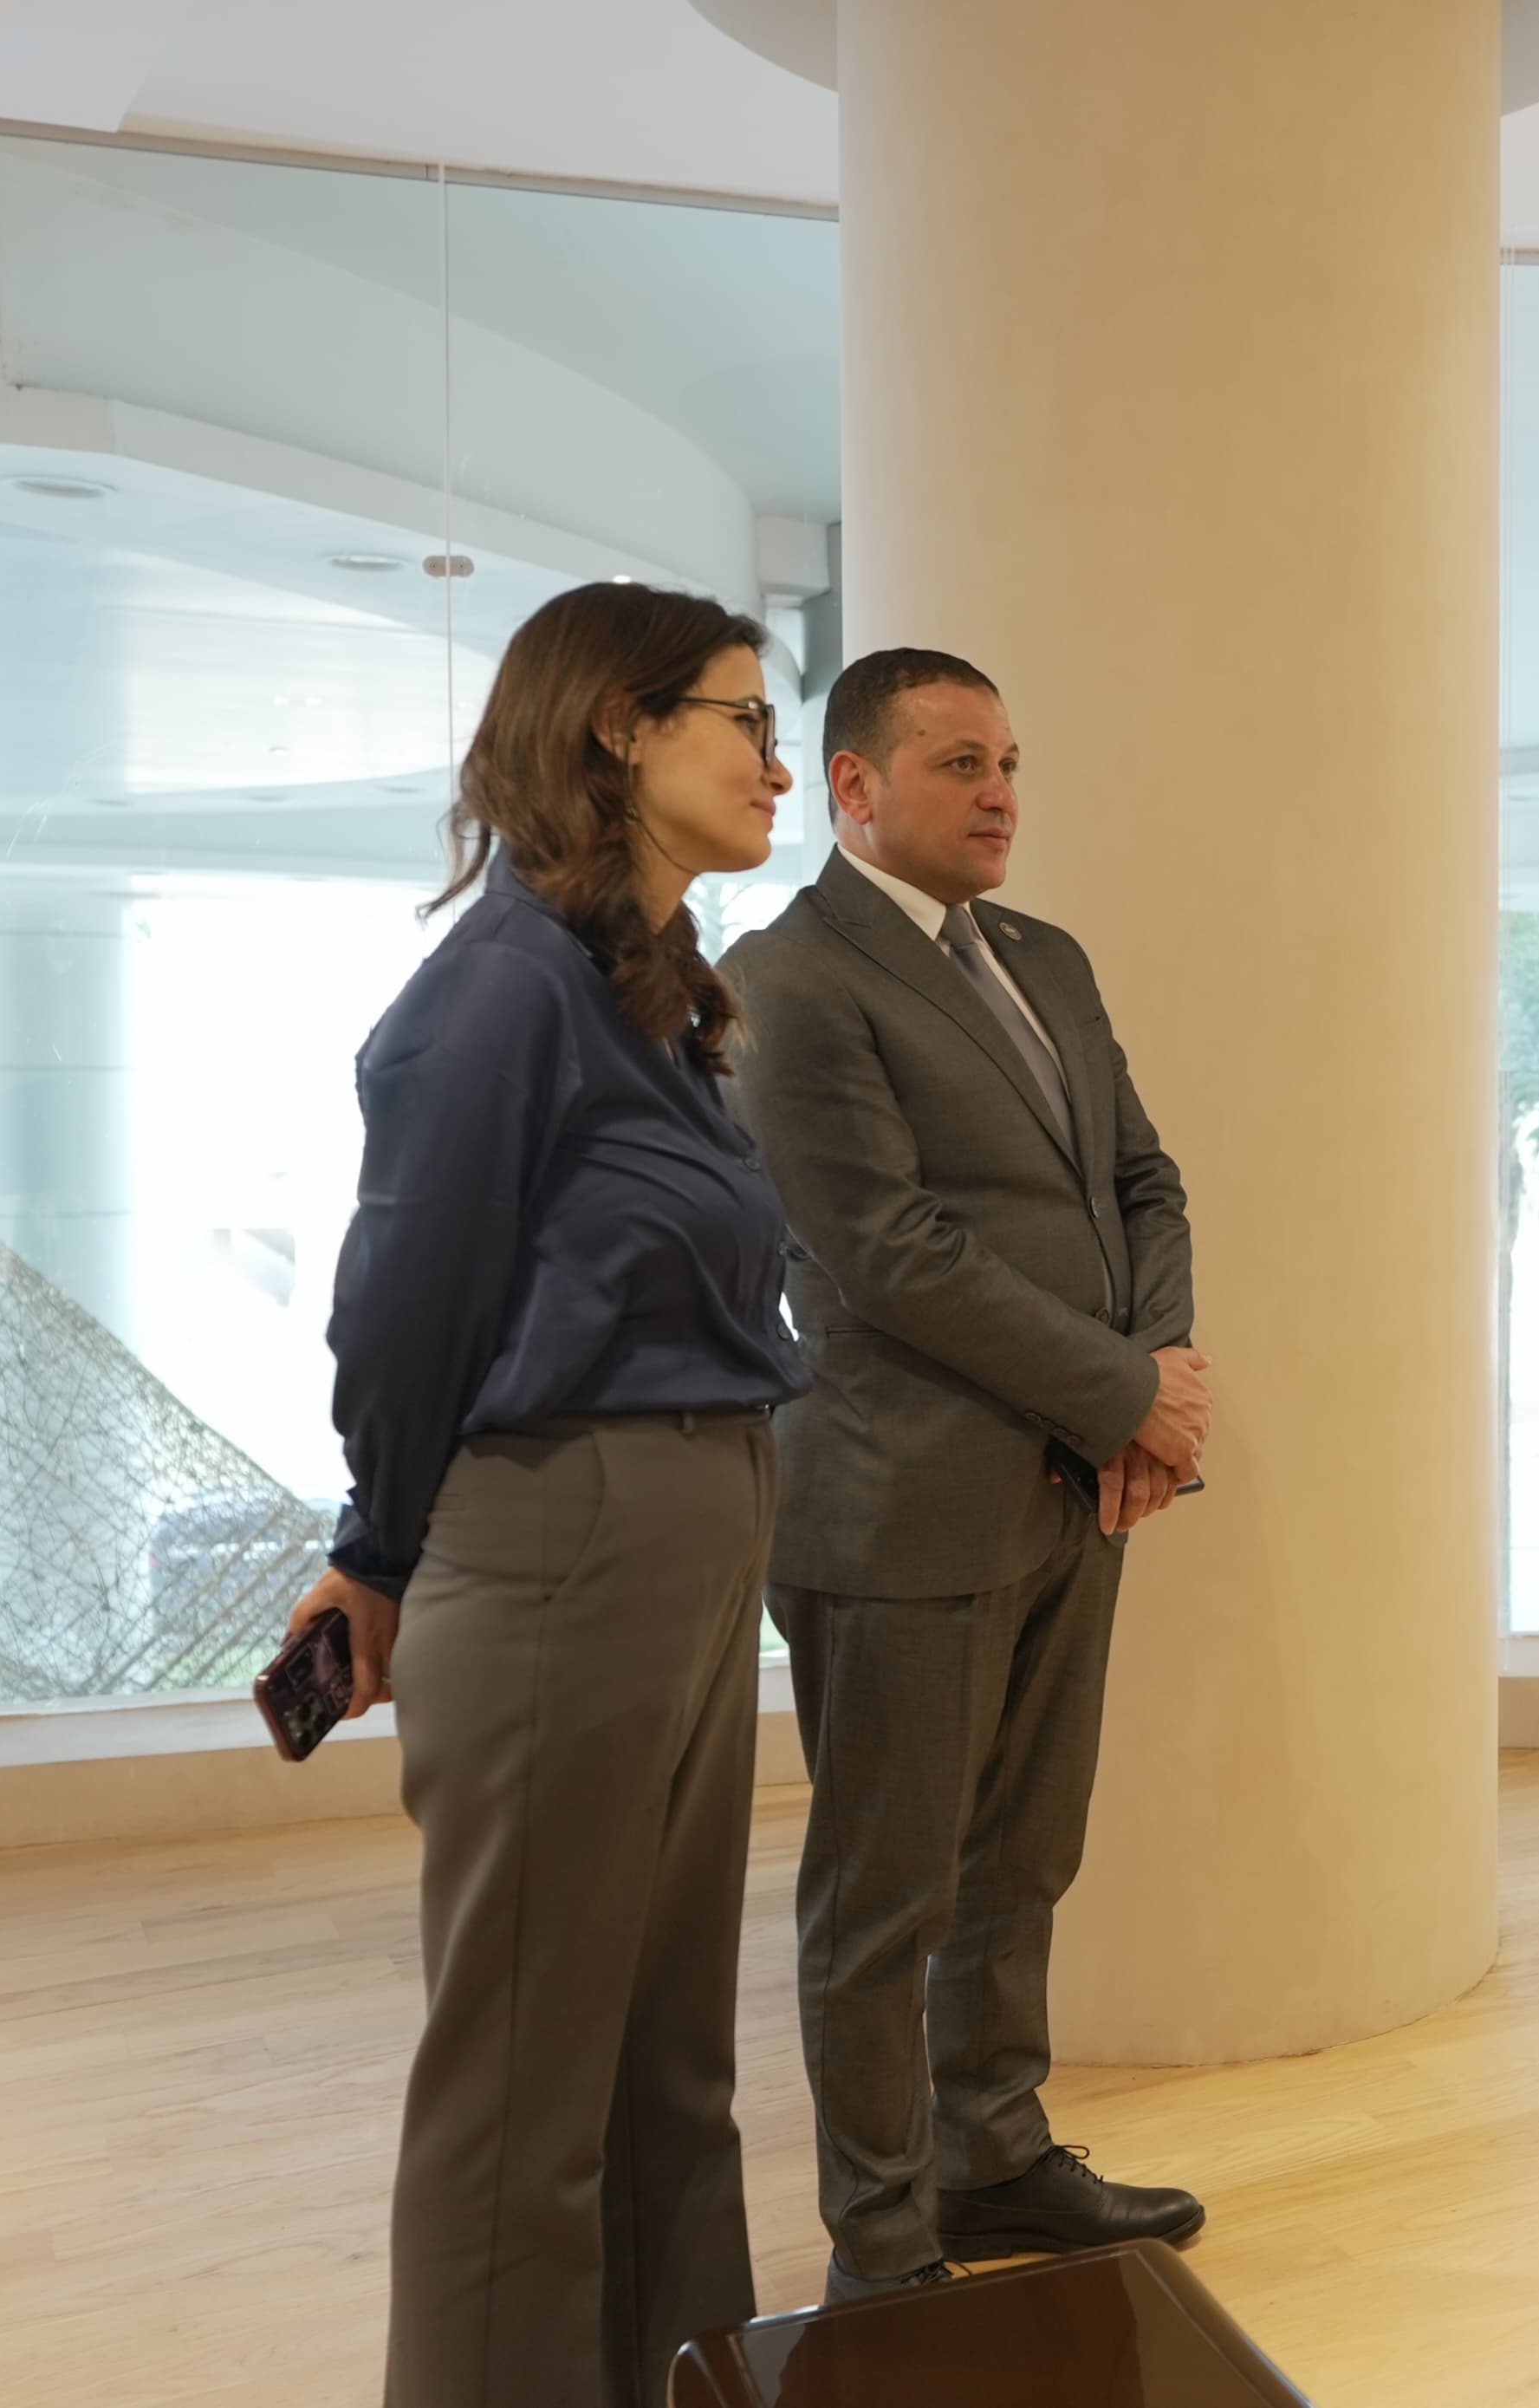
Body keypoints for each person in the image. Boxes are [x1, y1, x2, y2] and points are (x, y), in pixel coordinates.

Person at [286, 582, 809, 2408]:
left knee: (669, 2069)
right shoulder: (501, 992)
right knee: (522, 2088)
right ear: (618, 726)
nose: (776, 763)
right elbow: (402, 1310)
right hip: (567, 1533)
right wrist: (374, 1552)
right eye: (745, 720)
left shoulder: (640, 991)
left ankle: (685, 2383)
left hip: (688, 1532)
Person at [720, 646, 1210, 2303]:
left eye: (1010, 763)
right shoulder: (787, 981)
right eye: (959, 764)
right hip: (896, 1506)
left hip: (1072, 1488)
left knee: (1024, 1858)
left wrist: (1150, 1385)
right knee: (886, 1897)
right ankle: (882, 2242)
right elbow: (889, 1254)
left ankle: (990, 2155)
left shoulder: (1046, 958)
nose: (1001, 794)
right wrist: (1127, 1393)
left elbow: (1145, 1181)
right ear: (853, 787)